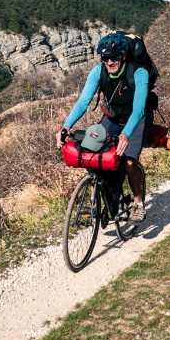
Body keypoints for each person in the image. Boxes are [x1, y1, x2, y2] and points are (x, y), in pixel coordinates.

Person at [56, 32, 148, 223]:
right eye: (105, 58)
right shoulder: (98, 72)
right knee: (92, 153)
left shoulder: (139, 73)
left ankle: (138, 204)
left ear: (123, 55)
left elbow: (138, 110)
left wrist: (125, 134)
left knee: (129, 163)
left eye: (114, 57)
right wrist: (66, 126)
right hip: (113, 118)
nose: (110, 62)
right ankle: (97, 197)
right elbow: (83, 102)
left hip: (136, 120)